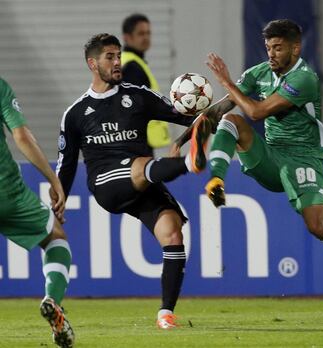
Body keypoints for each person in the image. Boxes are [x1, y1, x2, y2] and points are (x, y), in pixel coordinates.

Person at [189, 19, 323, 304]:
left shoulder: (304, 78)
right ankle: (217, 179)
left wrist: (226, 81)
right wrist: (184, 138)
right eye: (268, 47)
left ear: (295, 48)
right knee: (231, 120)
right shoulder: (260, 73)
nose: (271, 54)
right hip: (272, 156)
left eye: (278, 48)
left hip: (304, 158)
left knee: (318, 226)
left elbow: (256, 112)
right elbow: (222, 107)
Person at [55, 33, 209, 329]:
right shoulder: (75, 114)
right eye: (109, 57)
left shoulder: (138, 96)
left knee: (172, 233)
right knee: (140, 165)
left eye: (118, 56)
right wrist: (58, 203)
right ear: (92, 63)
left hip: (144, 181)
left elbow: (188, 117)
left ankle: (166, 314)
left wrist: (203, 120)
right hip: (106, 184)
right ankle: (189, 164)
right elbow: (67, 165)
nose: (117, 62)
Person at [0, 78, 75, 347]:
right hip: (7, 192)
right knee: (55, 237)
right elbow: (21, 135)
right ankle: (52, 300)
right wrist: (53, 181)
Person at [121, 13, 171, 155]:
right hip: (138, 142)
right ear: (127, 37)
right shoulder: (132, 67)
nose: (146, 37)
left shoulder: (130, 62)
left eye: (148, 33)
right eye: (141, 33)